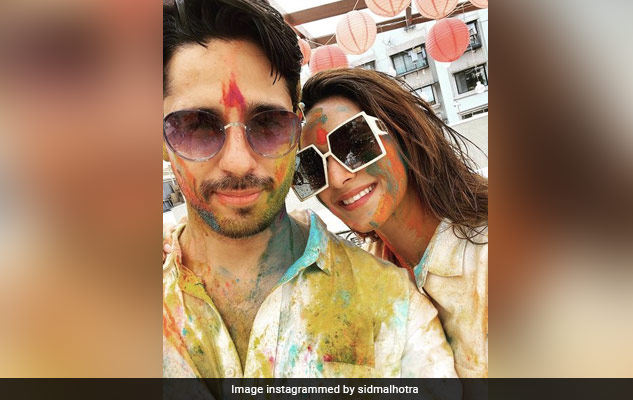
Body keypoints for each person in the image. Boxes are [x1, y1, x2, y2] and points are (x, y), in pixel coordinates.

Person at [162, 0, 456, 378]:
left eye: (268, 123)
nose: (238, 161)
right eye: (197, 126)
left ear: (295, 128)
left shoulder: (393, 307)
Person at [294, 68, 488, 377]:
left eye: (353, 143)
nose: (338, 177)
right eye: (311, 167)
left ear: (402, 133)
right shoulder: (364, 282)